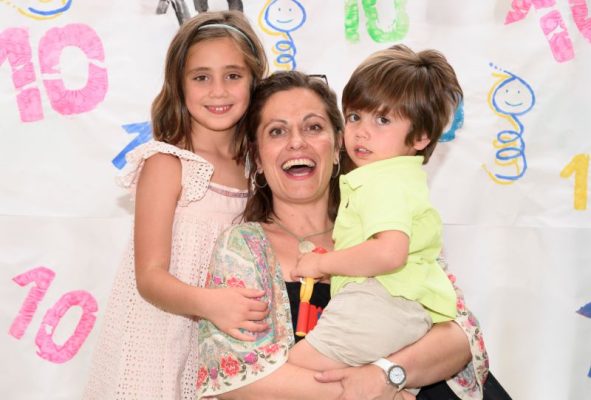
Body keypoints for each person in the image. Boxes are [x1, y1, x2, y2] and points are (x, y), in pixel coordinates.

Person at [196, 71, 488, 400]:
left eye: (313, 127)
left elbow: (461, 337)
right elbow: (235, 377)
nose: (296, 142)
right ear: (258, 157)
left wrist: (388, 375)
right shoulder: (242, 248)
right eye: (277, 131)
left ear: (338, 145)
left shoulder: (387, 225)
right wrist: (375, 393)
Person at [83, 11, 270, 399]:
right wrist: (210, 304)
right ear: (179, 85)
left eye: (233, 76)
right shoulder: (168, 163)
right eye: (201, 77)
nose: (218, 91)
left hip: (224, 349)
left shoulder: (258, 169)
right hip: (158, 344)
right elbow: (150, 276)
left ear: (254, 81)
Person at [286, 45, 461, 391]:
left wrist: (322, 264)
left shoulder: (383, 181)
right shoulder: (400, 178)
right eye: (354, 117)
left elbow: (389, 253)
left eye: (382, 120)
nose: (362, 132)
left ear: (421, 136)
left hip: (382, 303)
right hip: (402, 310)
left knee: (292, 373)